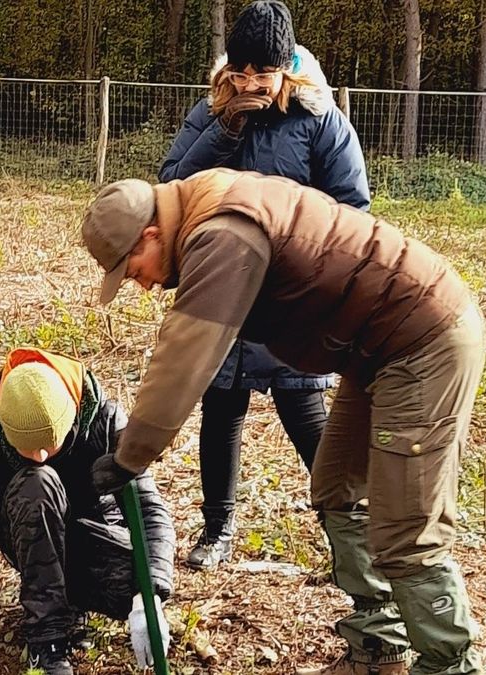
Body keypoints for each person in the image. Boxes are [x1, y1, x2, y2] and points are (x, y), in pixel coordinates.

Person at [80, 169, 486, 675]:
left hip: (423, 341)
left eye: (131, 268)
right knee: (338, 488)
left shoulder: (222, 234)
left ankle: (450, 664)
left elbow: (185, 356)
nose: (140, 284)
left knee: (407, 526)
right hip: (376, 352)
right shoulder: (202, 203)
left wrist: (131, 454)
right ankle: (379, 649)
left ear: (151, 234)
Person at [159, 0, 369, 570]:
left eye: (263, 71)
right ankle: (218, 527)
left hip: (290, 295)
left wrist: (307, 267)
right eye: (241, 69)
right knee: (220, 406)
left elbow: (351, 209)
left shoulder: (320, 119)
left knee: (305, 411)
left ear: (287, 68)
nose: (250, 81)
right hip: (219, 287)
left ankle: (348, 540)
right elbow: (172, 184)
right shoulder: (211, 113)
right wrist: (227, 127)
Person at [0, 348, 174, 675]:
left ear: (70, 414)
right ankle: (47, 641)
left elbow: (149, 511)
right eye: (26, 446)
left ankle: (75, 603)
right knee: (36, 480)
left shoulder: (105, 420)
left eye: (50, 442)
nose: (40, 454)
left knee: (142, 580)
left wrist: (147, 598)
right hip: (30, 535)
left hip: (94, 540)